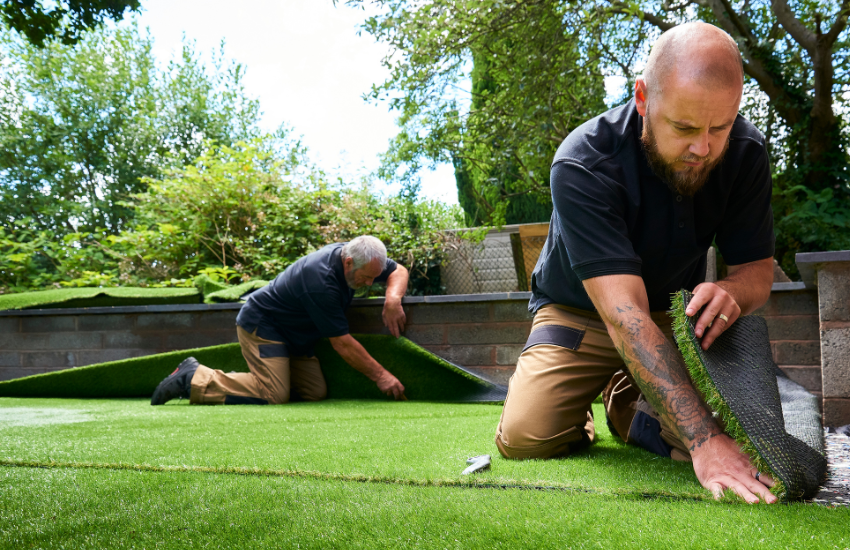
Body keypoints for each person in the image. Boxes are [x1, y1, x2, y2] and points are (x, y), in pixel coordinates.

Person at [494, 22, 779, 504]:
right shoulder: (583, 162)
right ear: (643, 98)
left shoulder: (745, 154)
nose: (703, 149)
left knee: (738, 434)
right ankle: (580, 402)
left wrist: (731, 292)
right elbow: (624, 317)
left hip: (671, 313)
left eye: (720, 127)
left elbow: (758, 272)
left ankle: (627, 403)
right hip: (579, 313)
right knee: (527, 438)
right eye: (685, 127)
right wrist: (703, 442)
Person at [151, 235, 409, 406]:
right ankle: (193, 377)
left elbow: (398, 270)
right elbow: (342, 343)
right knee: (274, 394)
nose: (369, 283)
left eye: (374, 277)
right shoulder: (321, 281)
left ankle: (271, 379)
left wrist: (393, 299)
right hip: (264, 325)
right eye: (366, 277)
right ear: (349, 262)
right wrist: (381, 376)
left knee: (314, 392)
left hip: (296, 336)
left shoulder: (363, 255)